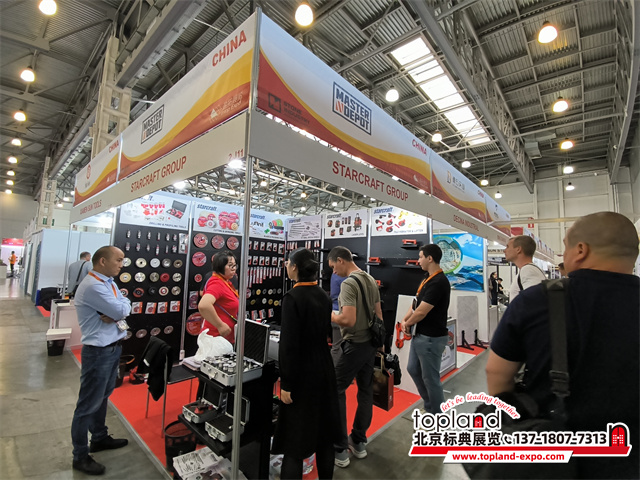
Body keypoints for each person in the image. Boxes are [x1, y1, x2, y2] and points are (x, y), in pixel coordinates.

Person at [486, 212, 639, 478]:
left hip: (553, 456)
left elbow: (496, 373)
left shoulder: (537, 301)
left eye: (566, 246)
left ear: (581, 250)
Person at [272, 248, 340, 479]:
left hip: (302, 374)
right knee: (325, 436)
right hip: (324, 368)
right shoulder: (323, 295)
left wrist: (286, 383)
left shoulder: (292, 298)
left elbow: (289, 346)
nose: (286, 266)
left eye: (288, 263)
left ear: (295, 267)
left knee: (294, 442)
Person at [71, 246, 131, 475]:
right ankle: (80, 456)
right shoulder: (93, 286)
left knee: (103, 396)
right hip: (98, 352)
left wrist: (120, 308)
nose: (122, 265)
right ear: (103, 261)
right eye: (119, 260)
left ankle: (99, 437)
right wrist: (120, 309)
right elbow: (120, 310)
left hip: (111, 348)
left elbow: (124, 305)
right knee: (87, 405)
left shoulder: (108, 282)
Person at [328, 246, 381, 468]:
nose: (333, 272)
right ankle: (359, 441)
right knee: (365, 391)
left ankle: (340, 449)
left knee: (335, 389)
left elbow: (348, 320)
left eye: (333, 266)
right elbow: (379, 314)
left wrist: (329, 314)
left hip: (354, 345)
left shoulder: (348, 284)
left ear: (341, 260)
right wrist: (379, 345)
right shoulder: (370, 279)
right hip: (370, 344)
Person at [400, 244, 451, 414]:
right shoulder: (427, 279)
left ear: (430, 258)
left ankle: (437, 416)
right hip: (420, 335)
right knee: (413, 369)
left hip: (431, 338)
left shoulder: (438, 282)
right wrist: (405, 319)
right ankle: (430, 405)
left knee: (431, 379)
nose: (418, 260)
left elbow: (422, 311)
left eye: (421, 257)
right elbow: (416, 303)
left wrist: (408, 324)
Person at [198, 251, 238, 344]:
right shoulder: (217, 283)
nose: (234, 269)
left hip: (224, 339)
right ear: (220, 266)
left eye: (235, 265)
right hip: (216, 339)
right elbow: (204, 305)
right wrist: (220, 325)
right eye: (230, 265)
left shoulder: (226, 282)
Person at [503, 235, 546, 301]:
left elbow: (535, 300)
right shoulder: (528, 269)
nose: (504, 250)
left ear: (518, 249)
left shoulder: (528, 270)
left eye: (508, 247)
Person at [329, 272, 347, 366]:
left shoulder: (335, 274)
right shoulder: (344, 275)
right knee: (338, 347)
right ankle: (334, 372)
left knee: (337, 346)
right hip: (341, 313)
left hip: (335, 311)